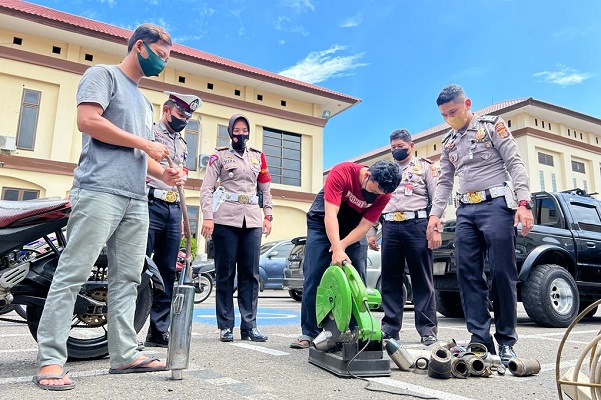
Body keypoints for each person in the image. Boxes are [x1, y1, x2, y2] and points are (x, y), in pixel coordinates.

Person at [33, 24, 183, 391]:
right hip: (98, 189)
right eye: (160, 55)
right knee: (72, 272)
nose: (162, 63)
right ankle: (50, 360)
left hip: (135, 198)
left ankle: (125, 354)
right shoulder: (102, 75)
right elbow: (89, 121)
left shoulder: (144, 101)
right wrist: (145, 145)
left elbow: (138, 153)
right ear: (140, 47)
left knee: (129, 278)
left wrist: (165, 172)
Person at [426, 84, 534, 366]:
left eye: (454, 111)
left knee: (501, 273)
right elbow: (444, 182)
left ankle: (507, 340)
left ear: (467, 104)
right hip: (465, 211)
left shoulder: (491, 126)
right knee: (467, 273)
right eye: (444, 115)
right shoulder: (448, 142)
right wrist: (435, 215)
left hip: (496, 205)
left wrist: (524, 203)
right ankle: (480, 341)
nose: (450, 118)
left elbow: (515, 163)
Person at [290, 160, 401, 349]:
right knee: (314, 276)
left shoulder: (385, 194)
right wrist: (336, 247)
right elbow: (330, 214)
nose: (374, 195)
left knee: (357, 278)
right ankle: (309, 332)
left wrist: (341, 246)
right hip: (322, 222)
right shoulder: (343, 172)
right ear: (367, 176)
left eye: (378, 194)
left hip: (353, 229)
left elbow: (365, 226)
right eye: (373, 190)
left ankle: (354, 331)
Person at [200, 114, 273, 343]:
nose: (241, 134)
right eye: (237, 130)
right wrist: (207, 217)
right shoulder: (218, 156)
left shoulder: (258, 157)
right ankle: (225, 326)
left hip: (251, 220)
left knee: (250, 274)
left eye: (244, 130)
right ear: (230, 132)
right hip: (225, 219)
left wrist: (268, 214)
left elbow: (265, 188)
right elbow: (207, 188)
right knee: (225, 273)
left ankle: (249, 326)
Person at [367, 129, 439, 346]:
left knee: (422, 278)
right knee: (390, 279)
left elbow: (437, 198)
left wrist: (435, 228)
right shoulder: (385, 170)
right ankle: (390, 329)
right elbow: (373, 200)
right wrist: (371, 231)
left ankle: (427, 330)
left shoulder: (425, 167)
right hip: (389, 226)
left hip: (417, 225)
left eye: (400, 146)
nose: (396, 150)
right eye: (393, 148)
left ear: (411, 145)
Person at [144, 91, 201, 348]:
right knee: (139, 267)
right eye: (180, 115)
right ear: (166, 110)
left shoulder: (183, 144)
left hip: (172, 207)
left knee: (167, 269)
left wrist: (179, 216)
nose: (183, 120)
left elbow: (182, 175)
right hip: (148, 203)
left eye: (187, 117)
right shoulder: (149, 132)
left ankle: (158, 331)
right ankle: (125, 332)